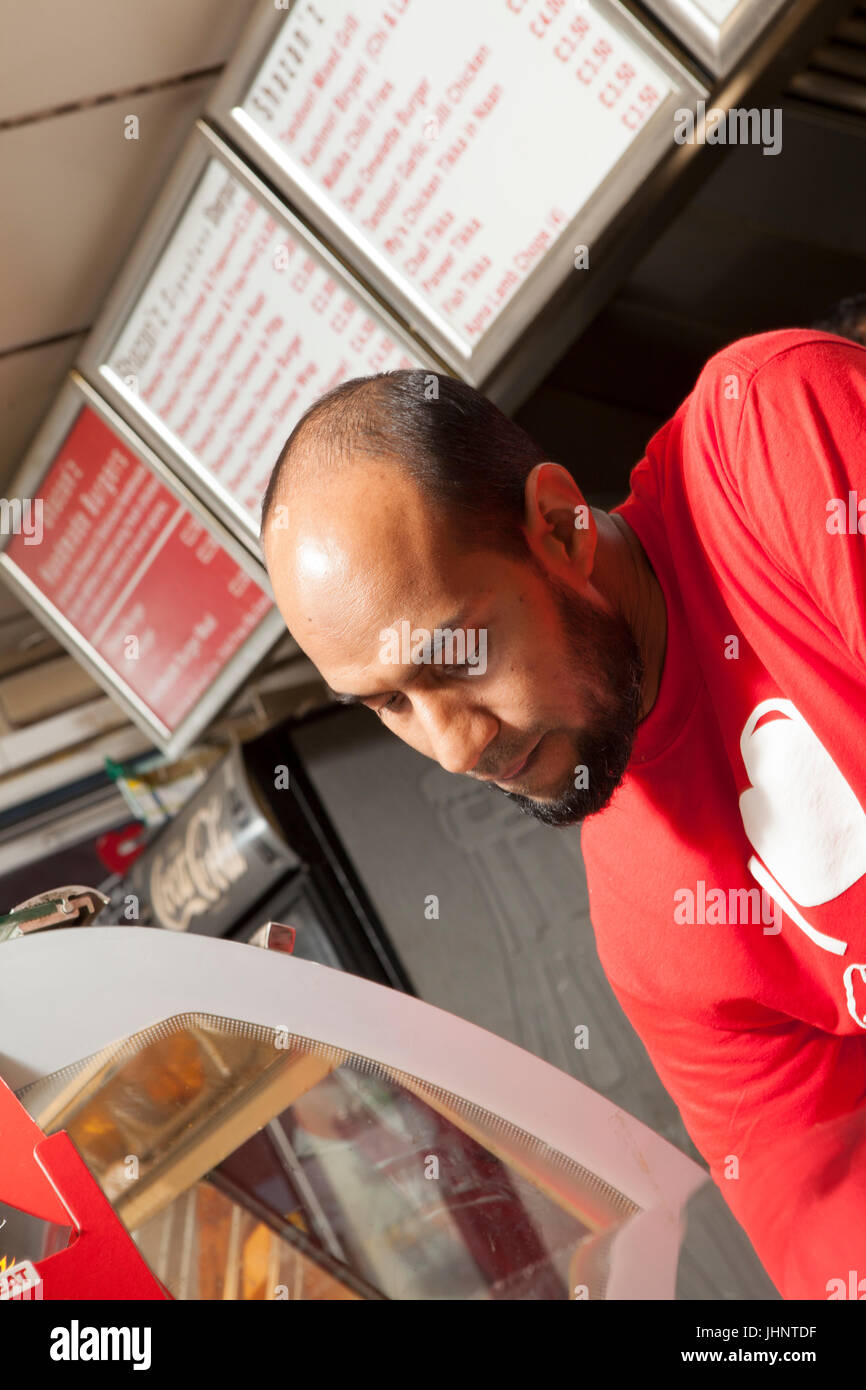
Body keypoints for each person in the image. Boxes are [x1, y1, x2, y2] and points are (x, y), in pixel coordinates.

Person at [260, 327, 866, 1300]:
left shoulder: (766, 438)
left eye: (453, 654)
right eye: (388, 704)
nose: (453, 745)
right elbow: (824, 1227)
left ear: (557, 524)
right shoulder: (643, 927)